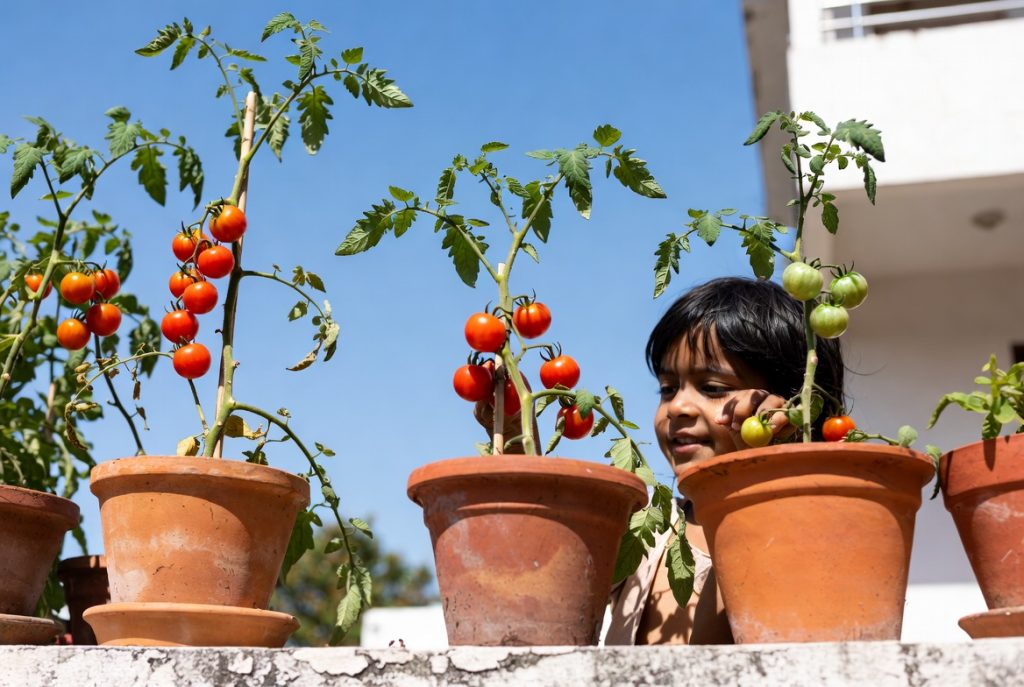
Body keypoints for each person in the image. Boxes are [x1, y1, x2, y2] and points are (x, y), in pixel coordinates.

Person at [603, 276, 845, 645]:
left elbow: (713, 655)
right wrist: (510, 424)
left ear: (793, 411)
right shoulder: (644, 534)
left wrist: (760, 470)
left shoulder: (809, 536)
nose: (678, 406)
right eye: (668, 388)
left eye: (713, 388)